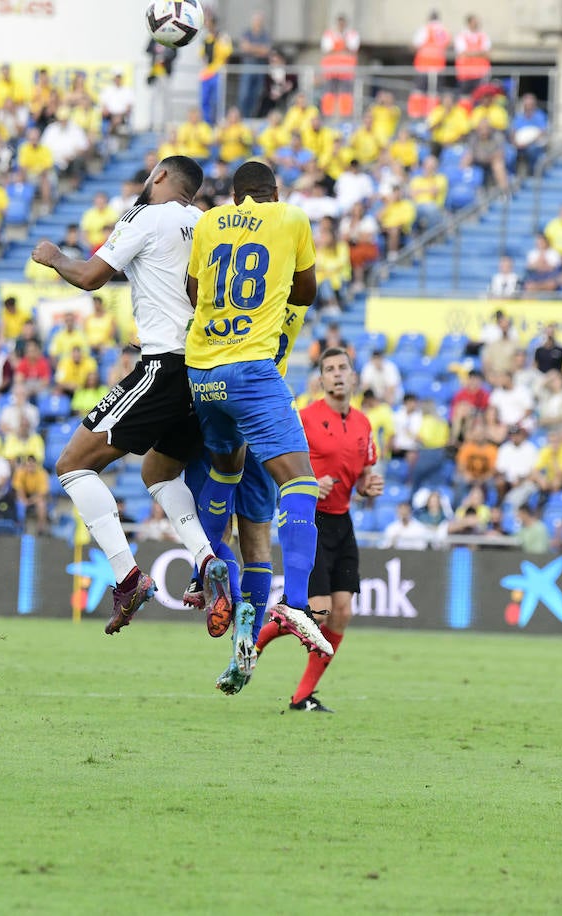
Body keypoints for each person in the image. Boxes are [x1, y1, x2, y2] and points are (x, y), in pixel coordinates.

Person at [30, 156, 232, 636]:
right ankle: (205, 560)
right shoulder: (205, 224)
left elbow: (90, 277)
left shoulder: (145, 215)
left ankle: (128, 576)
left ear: (159, 177)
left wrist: (54, 255)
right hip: (207, 370)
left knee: (72, 465)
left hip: (165, 365)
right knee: (157, 469)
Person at [185, 158, 332, 695]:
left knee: (222, 472)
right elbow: (306, 292)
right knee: (284, 503)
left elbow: (192, 290)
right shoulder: (290, 225)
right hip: (255, 384)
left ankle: (209, 576)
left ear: (234, 193)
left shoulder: (207, 223)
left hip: (205, 376)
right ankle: (293, 605)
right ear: (274, 193)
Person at [252, 348, 382, 713]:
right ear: (320, 380)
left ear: (353, 377)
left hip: (342, 522)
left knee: (342, 613)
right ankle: (253, 643)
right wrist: (309, 481)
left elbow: (364, 475)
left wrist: (367, 487)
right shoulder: (305, 418)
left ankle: (302, 696)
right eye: (330, 369)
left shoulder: (363, 424)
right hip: (309, 521)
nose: (338, 374)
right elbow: (283, 463)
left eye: (343, 368)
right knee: (319, 613)